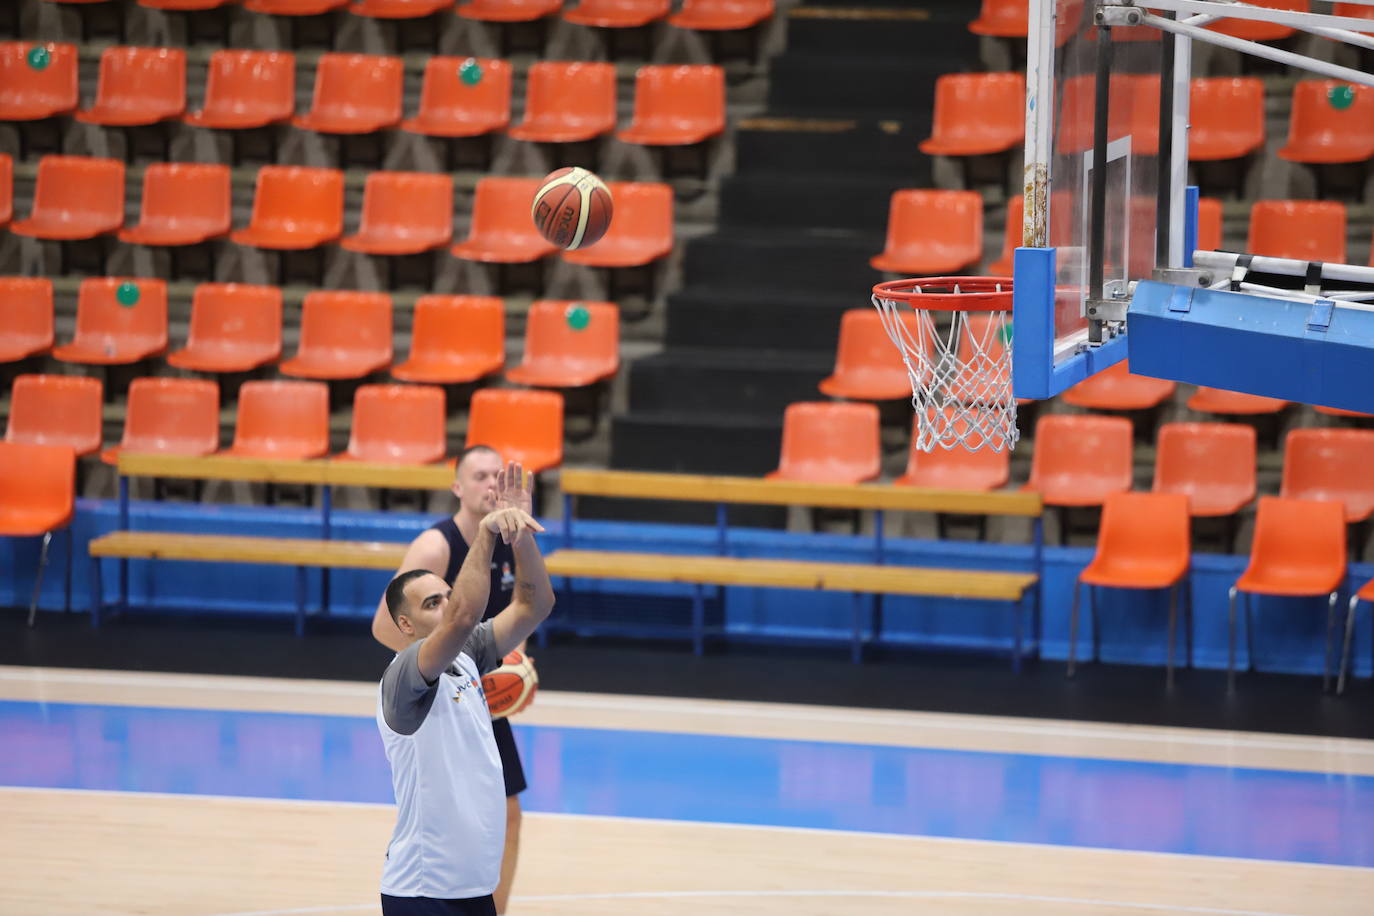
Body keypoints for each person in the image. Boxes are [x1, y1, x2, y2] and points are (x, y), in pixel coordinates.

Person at [372, 448, 545, 914]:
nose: (446, 605)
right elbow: (460, 618)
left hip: (471, 890)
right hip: (423, 890)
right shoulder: (407, 673)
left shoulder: (468, 654)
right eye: (432, 602)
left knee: (507, 809)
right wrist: (489, 535)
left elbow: (532, 607)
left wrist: (523, 536)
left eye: (447, 596)